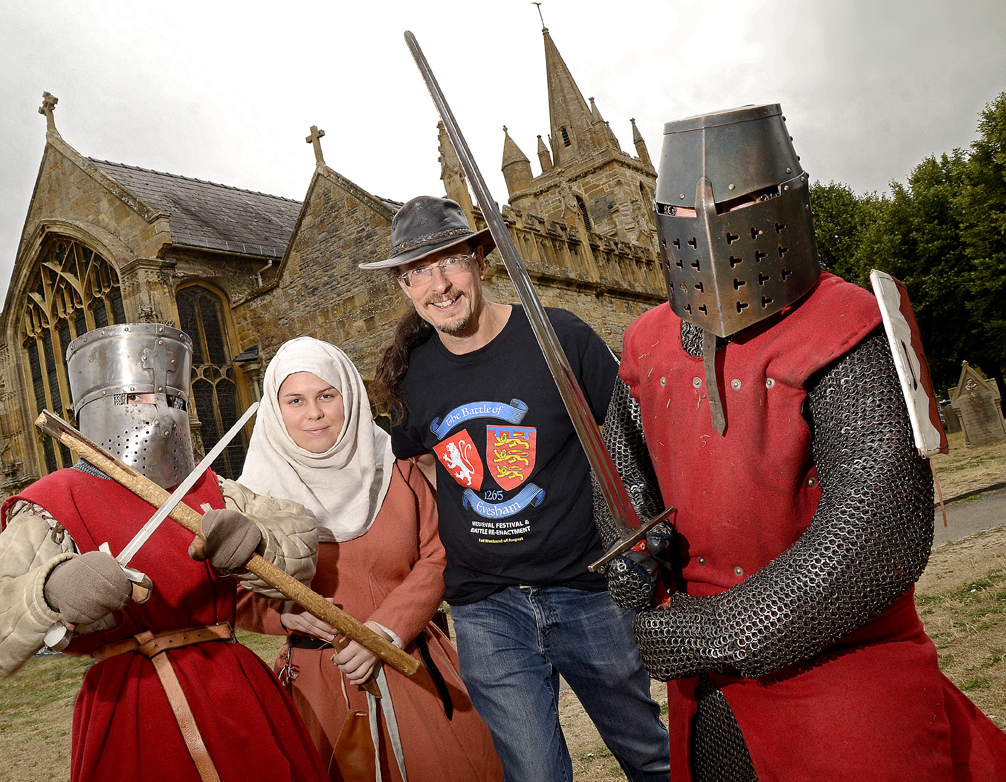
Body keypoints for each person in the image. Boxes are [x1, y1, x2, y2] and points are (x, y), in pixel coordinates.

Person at [596, 103, 1006, 782]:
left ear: (785, 202)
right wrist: (631, 549)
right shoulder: (646, 342)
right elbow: (624, 472)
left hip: (842, 666)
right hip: (707, 690)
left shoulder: (846, 328)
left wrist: (719, 630)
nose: (711, 227)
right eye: (683, 213)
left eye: (744, 200)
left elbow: (875, 535)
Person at [364, 196, 671, 782]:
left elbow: (633, 436)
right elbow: (417, 468)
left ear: (480, 259)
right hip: (487, 608)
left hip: (589, 588)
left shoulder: (559, 336)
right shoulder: (411, 373)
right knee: (535, 776)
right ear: (404, 287)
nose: (439, 285)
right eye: (417, 273)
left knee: (649, 756)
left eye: (449, 261)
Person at [0, 323, 328, 782]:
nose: (162, 412)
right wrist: (49, 590)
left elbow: (300, 534)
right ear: (102, 406)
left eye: (174, 400)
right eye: (138, 397)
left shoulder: (213, 488)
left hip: (235, 689)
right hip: (133, 703)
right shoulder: (55, 502)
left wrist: (258, 543)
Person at [236, 336, 503, 782]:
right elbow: (231, 591)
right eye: (295, 400)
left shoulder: (396, 467)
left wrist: (387, 630)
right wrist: (283, 614)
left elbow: (439, 555)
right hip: (317, 683)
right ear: (274, 409)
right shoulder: (251, 496)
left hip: (413, 666)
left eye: (326, 395)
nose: (314, 413)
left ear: (350, 395)